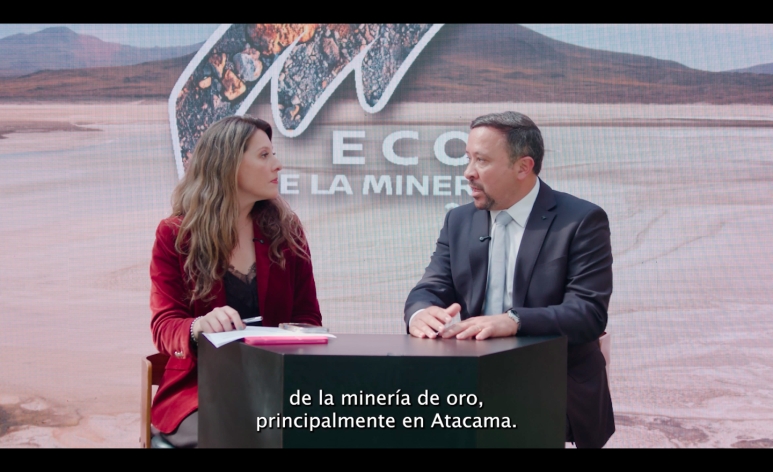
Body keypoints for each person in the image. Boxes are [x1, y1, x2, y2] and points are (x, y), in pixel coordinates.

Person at [404, 111, 614, 448]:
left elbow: (587, 314)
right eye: (468, 158)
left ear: (523, 167)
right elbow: (430, 288)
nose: (468, 172)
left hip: (552, 390)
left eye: (482, 160)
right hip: (472, 386)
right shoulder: (459, 221)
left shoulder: (581, 221)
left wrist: (514, 321)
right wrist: (420, 312)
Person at [148, 115, 322, 448]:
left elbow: (308, 318)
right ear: (229, 165)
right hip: (200, 391)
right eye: (264, 155)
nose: (278, 165)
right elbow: (164, 325)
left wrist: (293, 342)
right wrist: (198, 326)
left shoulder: (288, 232)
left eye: (273, 154)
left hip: (274, 386)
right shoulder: (174, 235)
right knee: (242, 434)